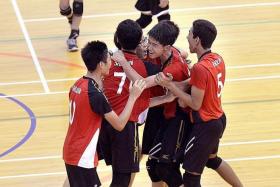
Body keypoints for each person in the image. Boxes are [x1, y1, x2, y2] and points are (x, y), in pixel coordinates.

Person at [155, 19, 243, 187]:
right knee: (212, 161)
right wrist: (179, 84)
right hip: (219, 119)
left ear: (197, 40)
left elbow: (195, 104)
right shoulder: (216, 58)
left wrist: (170, 86)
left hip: (206, 125)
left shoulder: (199, 68)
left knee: (191, 179)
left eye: (189, 33)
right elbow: (196, 81)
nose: (187, 37)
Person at [113, 20, 191, 187]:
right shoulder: (158, 53)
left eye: (154, 45)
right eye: (149, 41)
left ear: (167, 48)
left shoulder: (174, 68)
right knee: (151, 166)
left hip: (176, 115)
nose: (149, 47)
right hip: (158, 109)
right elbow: (181, 52)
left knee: (165, 169)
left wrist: (123, 62)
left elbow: (142, 83)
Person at [98, 19, 175, 187]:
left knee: (84, 168)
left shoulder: (107, 59)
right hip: (125, 127)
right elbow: (141, 101)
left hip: (101, 121)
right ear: (140, 41)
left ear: (117, 38)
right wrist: (165, 98)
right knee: (122, 178)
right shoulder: (145, 68)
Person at [62, 40, 146, 187]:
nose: (111, 63)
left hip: (72, 149)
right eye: (108, 60)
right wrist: (133, 96)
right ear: (101, 65)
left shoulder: (78, 84)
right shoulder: (95, 95)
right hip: (82, 155)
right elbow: (119, 125)